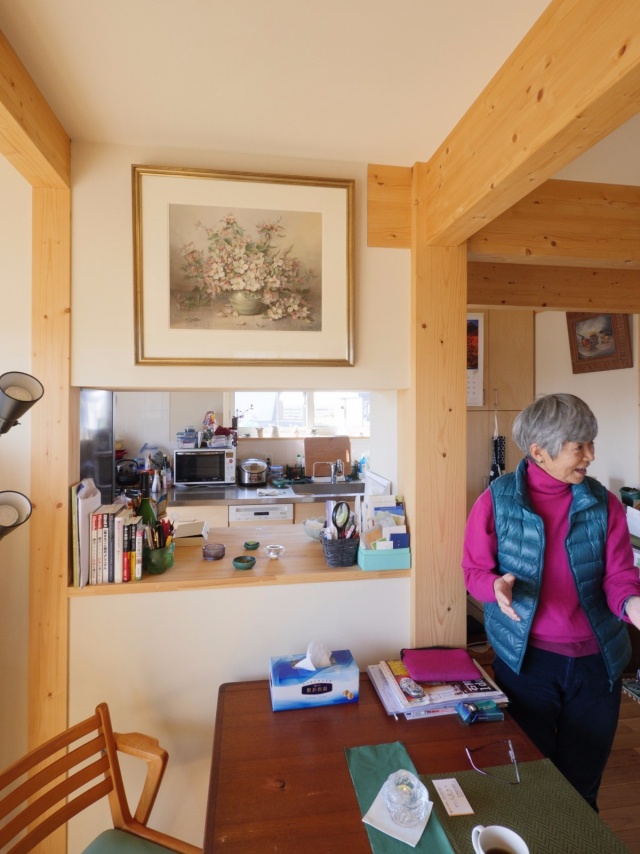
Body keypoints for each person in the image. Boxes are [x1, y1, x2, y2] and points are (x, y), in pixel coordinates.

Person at [463, 393, 640, 810]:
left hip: (597, 664)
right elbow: (473, 570)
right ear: (539, 451)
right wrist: (494, 587)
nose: (591, 456)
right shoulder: (496, 500)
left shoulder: (604, 504)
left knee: (582, 786)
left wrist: (632, 604)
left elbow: (619, 576)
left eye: (592, 443)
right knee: (531, 780)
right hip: (526, 662)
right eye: (580, 446)